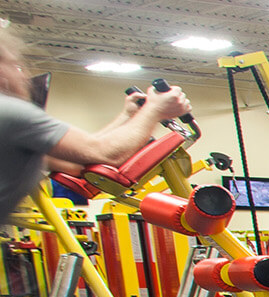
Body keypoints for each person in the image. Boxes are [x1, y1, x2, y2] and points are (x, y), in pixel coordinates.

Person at [0, 28, 193, 210]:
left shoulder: (12, 132)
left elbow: (79, 161)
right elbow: (103, 153)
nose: (24, 76)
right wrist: (155, 109)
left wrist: (127, 116)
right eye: (15, 66)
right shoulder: (9, 111)